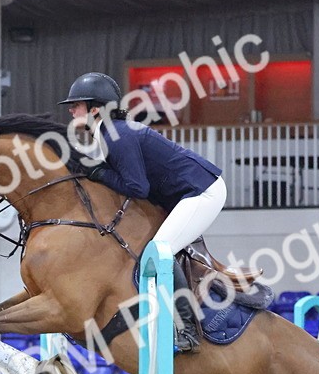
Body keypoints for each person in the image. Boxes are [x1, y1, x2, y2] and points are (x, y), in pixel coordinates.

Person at [59, 72, 227, 353]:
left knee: (159, 251)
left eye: (76, 105)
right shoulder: (111, 133)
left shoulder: (117, 135)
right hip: (184, 193)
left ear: (95, 109)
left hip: (202, 191)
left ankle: (187, 330)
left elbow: (137, 187)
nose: (71, 110)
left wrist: (99, 172)